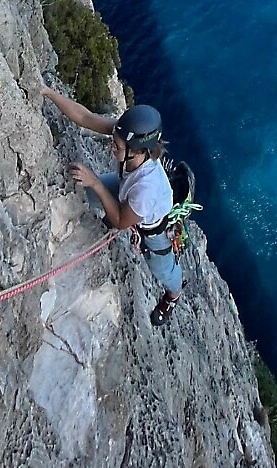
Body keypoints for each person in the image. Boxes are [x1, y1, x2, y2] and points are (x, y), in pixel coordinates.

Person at [40, 85, 184, 326]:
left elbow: (120, 221)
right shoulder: (128, 138)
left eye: (116, 147)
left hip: (153, 230)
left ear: (136, 153)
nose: (111, 146)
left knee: (162, 270)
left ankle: (173, 296)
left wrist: (96, 182)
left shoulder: (145, 189)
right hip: (125, 192)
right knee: (85, 191)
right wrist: (49, 93)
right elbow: (85, 118)